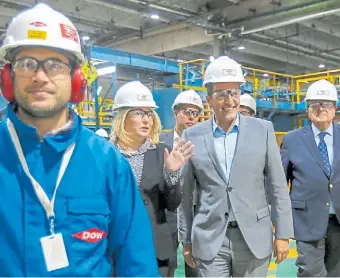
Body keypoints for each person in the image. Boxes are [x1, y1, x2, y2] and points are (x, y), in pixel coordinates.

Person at [0, 3, 159, 276]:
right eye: (27, 64)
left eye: (55, 64)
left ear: (76, 79)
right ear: (8, 77)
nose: (40, 76)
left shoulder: (108, 164)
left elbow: (136, 260)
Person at [177, 56, 293, 277]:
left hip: (254, 237)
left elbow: (277, 185)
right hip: (210, 237)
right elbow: (186, 194)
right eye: (221, 94)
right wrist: (186, 239)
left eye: (234, 93)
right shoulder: (192, 135)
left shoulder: (263, 130)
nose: (229, 101)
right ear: (209, 99)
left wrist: (283, 233)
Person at [280, 79, 340, 277]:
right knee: (309, 272)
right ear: (307, 108)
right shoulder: (292, 140)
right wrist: (282, 220)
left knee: (339, 274)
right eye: (315, 104)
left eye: (326, 104)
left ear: (335, 108)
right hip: (306, 219)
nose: (321, 108)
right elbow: (281, 183)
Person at [110, 80, 194, 277]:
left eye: (149, 114)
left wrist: (172, 174)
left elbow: (173, 204)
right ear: (122, 117)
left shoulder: (162, 152)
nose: (147, 120)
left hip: (157, 250)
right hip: (116, 247)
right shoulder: (106, 155)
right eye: (139, 113)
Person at [159, 89, 203, 277]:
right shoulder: (159, 142)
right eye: (186, 111)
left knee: (196, 268)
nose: (191, 117)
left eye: (196, 113)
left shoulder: (204, 143)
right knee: (164, 266)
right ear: (175, 112)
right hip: (165, 215)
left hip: (194, 214)